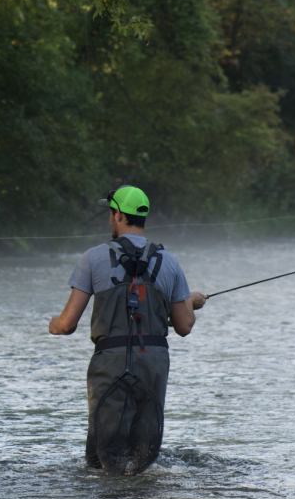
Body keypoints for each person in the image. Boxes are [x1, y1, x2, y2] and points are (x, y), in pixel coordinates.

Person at [48, 185, 207, 470]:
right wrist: (190, 301)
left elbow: (67, 323)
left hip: (110, 364)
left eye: (111, 213)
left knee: (103, 458)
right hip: (153, 363)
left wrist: (54, 325)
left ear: (118, 215)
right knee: (143, 455)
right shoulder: (169, 261)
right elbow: (184, 325)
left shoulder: (93, 258)